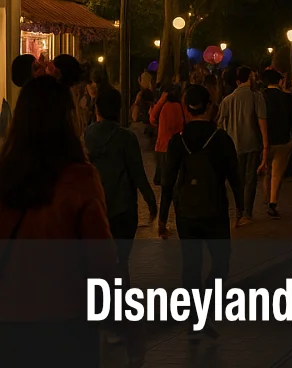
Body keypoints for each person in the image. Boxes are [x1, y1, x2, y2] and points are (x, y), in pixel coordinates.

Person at [0, 75, 121, 365]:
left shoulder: (4, 176)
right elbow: (101, 261)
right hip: (65, 322)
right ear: (68, 120)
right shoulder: (79, 179)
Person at [159, 85, 243, 341]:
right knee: (220, 263)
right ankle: (204, 308)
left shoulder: (178, 141)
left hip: (185, 211)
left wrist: (162, 218)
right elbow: (235, 176)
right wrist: (241, 209)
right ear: (209, 107)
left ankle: (194, 315)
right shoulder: (221, 138)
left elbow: (168, 182)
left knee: (191, 265)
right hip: (215, 210)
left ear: (186, 108)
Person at [86, 86, 157, 289]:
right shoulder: (126, 138)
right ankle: (121, 306)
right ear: (119, 110)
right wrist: (151, 201)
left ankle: (100, 306)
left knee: (98, 263)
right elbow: (138, 174)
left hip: (97, 208)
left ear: (97, 109)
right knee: (121, 261)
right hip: (123, 209)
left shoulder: (87, 136)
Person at [218, 66, 268, 226]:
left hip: (233, 146)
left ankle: (238, 212)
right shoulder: (257, 97)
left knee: (236, 180)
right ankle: (247, 212)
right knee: (250, 180)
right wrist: (266, 146)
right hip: (252, 144)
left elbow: (220, 124)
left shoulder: (227, 100)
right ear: (249, 78)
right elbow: (262, 123)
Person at [260, 70, 292, 219]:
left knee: (266, 171)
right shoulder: (286, 97)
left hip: (265, 139)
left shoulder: (261, 96)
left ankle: (267, 197)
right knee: (277, 173)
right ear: (279, 81)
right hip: (283, 139)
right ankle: (273, 201)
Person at [149, 81, 187, 189]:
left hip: (162, 146)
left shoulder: (163, 106)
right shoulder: (181, 107)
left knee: (164, 180)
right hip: (177, 145)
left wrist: (161, 100)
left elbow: (152, 118)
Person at [131, 71, 156, 139]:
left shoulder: (151, 96)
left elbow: (134, 117)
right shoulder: (139, 96)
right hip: (143, 130)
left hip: (145, 131)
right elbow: (134, 117)